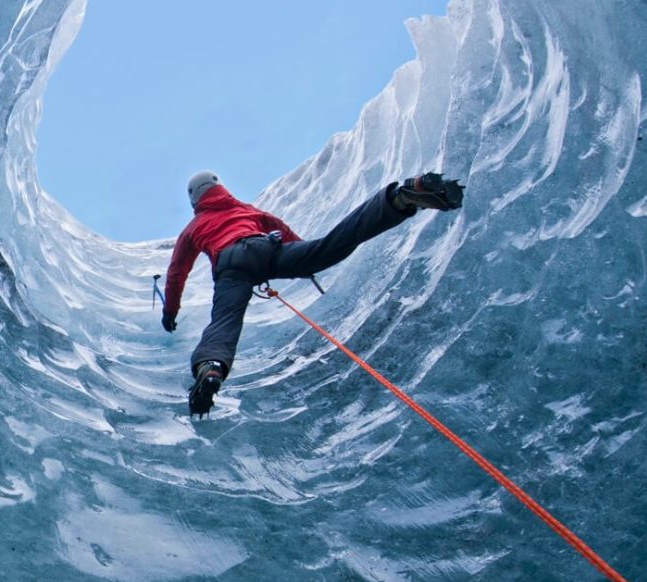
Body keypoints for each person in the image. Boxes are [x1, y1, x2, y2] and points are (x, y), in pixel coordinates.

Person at [161, 170, 464, 416]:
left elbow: (177, 273)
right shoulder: (245, 209)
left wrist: (170, 313)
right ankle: (397, 200)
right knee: (328, 247)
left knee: (225, 321)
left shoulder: (193, 227)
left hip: (230, 265)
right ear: (220, 188)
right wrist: (304, 260)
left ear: (194, 200)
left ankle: (211, 368)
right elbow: (284, 231)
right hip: (265, 247)